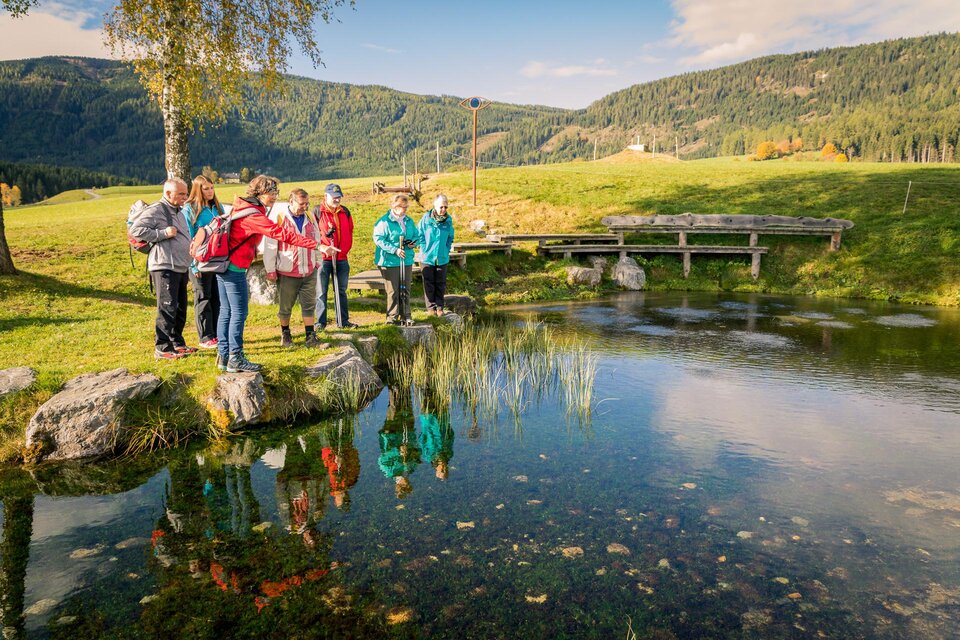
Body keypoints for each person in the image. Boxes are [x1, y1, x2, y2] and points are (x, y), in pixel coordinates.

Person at [216, 175, 324, 373]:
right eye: (271, 192)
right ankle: (235, 358)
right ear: (259, 193)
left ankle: (224, 356)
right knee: (239, 312)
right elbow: (280, 233)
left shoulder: (243, 207)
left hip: (225, 265)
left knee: (226, 311)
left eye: (276, 192)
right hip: (235, 267)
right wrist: (316, 244)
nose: (275, 196)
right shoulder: (253, 214)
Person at [129, 178, 196, 359]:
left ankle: (177, 342)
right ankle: (163, 348)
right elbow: (136, 230)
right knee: (167, 306)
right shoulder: (157, 210)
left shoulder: (179, 212)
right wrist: (162, 234)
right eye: (181, 194)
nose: (185, 197)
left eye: (186, 193)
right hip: (165, 266)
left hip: (180, 266)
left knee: (180, 307)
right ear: (168, 193)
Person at [262, 189, 323, 348]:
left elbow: (317, 239)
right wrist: (270, 269)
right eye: (302, 204)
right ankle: (286, 334)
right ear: (291, 201)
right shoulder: (280, 219)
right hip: (288, 269)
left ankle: (310, 336)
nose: (305, 206)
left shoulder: (310, 217)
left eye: (307, 203)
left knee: (309, 304)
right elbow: (270, 245)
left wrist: (317, 263)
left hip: (309, 269)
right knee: (286, 305)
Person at [181, 175, 223, 349]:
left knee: (217, 297)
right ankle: (205, 336)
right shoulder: (190, 209)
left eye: (212, 187)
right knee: (203, 297)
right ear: (198, 189)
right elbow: (188, 237)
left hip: (216, 260)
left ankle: (216, 333)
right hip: (199, 262)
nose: (210, 191)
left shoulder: (217, 208)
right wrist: (192, 264)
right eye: (206, 188)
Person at [314, 183, 357, 330]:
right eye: (334, 197)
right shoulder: (317, 212)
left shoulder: (345, 212)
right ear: (325, 196)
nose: (337, 200)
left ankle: (343, 321)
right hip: (324, 258)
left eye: (339, 197)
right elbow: (313, 234)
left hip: (342, 258)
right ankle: (320, 322)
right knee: (321, 291)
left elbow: (350, 231)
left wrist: (345, 249)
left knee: (341, 291)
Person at [373, 193, 421, 325]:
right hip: (389, 261)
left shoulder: (408, 221)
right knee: (393, 290)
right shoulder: (384, 221)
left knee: (405, 288)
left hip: (406, 259)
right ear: (393, 206)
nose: (404, 209)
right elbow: (378, 239)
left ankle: (406, 315)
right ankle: (392, 317)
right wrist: (395, 250)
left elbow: (417, 236)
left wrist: (413, 243)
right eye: (401, 206)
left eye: (405, 206)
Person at [418, 194, 455, 316]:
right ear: (435, 206)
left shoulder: (448, 221)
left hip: (442, 257)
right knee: (428, 283)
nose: (443, 209)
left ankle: (439, 307)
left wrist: (446, 249)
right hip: (427, 257)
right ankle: (430, 308)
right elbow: (420, 234)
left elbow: (450, 237)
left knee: (440, 283)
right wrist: (423, 248)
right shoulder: (426, 219)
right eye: (441, 207)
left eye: (445, 207)